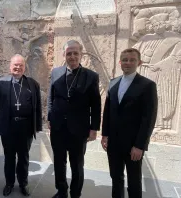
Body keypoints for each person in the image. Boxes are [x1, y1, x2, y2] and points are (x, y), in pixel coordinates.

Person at [47, 40, 101, 198]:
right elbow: (51, 97)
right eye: (69, 53)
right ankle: (61, 191)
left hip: (79, 129)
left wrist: (94, 129)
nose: (72, 56)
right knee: (59, 162)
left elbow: (96, 105)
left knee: (77, 164)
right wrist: (50, 118)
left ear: (81, 54)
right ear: (64, 55)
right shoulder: (55, 72)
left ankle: (75, 193)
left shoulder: (91, 76)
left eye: (75, 53)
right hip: (58, 128)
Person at [101, 48, 158, 198]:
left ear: (139, 62)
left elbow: (149, 118)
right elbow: (107, 111)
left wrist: (140, 145)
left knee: (134, 181)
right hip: (113, 142)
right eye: (125, 60)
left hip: (133, 144)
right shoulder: (113, 83)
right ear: (120, 62)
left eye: (132, 60)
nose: (128, 63)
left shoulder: (147, 85)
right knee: (116, 177)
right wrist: (104, 134)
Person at [0, 54, 42, 197]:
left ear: (24, 67)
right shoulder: (1, 83)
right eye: (15, 65)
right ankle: (9, 183)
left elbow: (37, 107)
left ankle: (23, 183)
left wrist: (37, 126)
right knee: (9, 157)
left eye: (21, 65)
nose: (18, 67)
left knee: (24, 157)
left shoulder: (33, 84)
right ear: (10, 66)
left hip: (26, 127)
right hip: (8, 126)